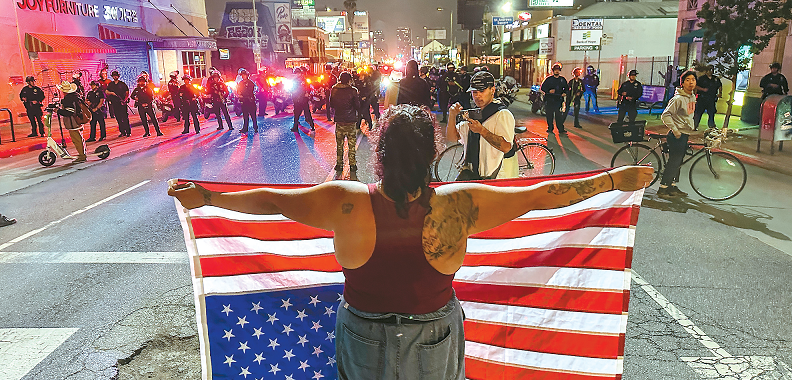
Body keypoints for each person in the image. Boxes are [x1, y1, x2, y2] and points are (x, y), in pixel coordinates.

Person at [167, 105, 653, 380]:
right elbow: (541, 195)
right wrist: (614, 180)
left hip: (363, 332)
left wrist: (207, 196)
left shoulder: (344, 202)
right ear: (430, 155)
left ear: (380, 152)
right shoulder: (460, 204)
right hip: (434, 335)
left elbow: (270, 201)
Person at [447, 71, 517, 179]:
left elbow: (506, 147)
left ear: (492, 90)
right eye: (474, 92)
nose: (477, 95)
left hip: (499, 178)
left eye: (482, 91)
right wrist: (452, 116)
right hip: (476, 176)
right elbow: (452, 138)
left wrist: (482, 131)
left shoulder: (502, 114)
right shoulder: (473, 114)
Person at [658, 71, 703, 199]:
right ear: (682, 83)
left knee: (678, 162)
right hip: (677, 135)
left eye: (693, 79)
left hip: (685, 133)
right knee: (674, 162)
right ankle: (663, 188)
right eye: (687, 80)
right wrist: (675, 130)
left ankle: (672, 186)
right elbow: (665, 115)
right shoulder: (678, 99)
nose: (691, 82)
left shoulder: (692, 97)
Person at [329, 72, 361, 181]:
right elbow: (357, 105)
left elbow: (331, 104)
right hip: (350, 121)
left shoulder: (334, 89)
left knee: (340, 144)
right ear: (349, 80)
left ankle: (339, 164)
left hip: (339, 120)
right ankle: (352, 164)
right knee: (351, 144)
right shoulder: (353, 90)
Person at [56, 81, 87, 163]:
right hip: (78, 119)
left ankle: (82, 155)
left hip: (73, 122)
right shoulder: (76, 97)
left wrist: (58, 111)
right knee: (80, 138)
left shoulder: (68, 100)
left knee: (77, 139)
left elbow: (69, 112)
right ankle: (82, 153)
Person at [541, 64, 568, 134]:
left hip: (558, 100)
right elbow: (542, 87)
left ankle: (561, 129)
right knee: (549, 115)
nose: (557, 71)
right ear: (553, 71)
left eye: (558, 70)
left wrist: (565, 93)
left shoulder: (562, 79)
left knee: (559, 116)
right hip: (549, 100)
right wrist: (549, 91)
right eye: (555, 70)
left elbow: (567, 88)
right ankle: (550, 128)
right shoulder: (549, 79)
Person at [693, 65, 722, 130]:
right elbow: (696, 86)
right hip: (702, 98)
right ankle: (694, 126)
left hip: (711, 98)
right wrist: (703, 89)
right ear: (706, 71)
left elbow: (719, 86)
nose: (711, 71)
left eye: (712, 70)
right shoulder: (702, 78)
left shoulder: (715, 79)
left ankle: (711, 126)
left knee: (711, 113)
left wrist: (720, 93)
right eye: (709, 70)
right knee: (698, 113)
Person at [105, 71, 131, 137]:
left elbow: (127, 92)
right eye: (114, 76)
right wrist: (112, 93)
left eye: (116, 75)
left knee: (125, 117)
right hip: (115, 103)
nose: (115, 77)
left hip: (122, 103)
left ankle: (128, 131)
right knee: (118, 118)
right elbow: (106, 91)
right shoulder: (111, 84)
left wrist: (124, 100)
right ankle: (122, 132)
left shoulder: (122, 84)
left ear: (118, 76)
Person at [291, 67, 315, 132]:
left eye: (298, 73)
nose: (297, 74)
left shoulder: (304, 80)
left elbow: (309, 88)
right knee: (297, 114)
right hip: (297, 99)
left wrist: (307, 93)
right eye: (296, 73)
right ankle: (295, 127)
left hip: (303, 99)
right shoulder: (294, 80)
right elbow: (292, 89)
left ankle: (312, 126)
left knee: (306, 113)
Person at [236, 69, 258, 134]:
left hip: (250, 101)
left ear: (247, 75)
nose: (243, 76)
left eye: (244, 75)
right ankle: (245, 128)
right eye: (242, 75)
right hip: (244, 101)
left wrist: (243, 93)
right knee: (245, 116)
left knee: (253, 116)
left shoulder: (250, 83)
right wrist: (239, 93)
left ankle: (255, 127)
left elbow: (250, 91)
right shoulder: (241, 83)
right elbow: (238, 89)